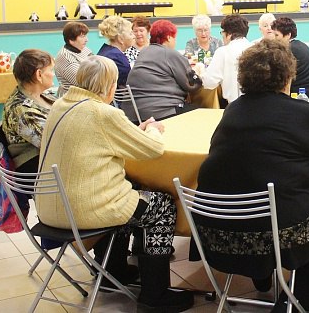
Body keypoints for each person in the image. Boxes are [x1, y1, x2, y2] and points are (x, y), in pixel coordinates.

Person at [195, 39, 309, 313]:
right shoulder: (304, 113)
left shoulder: (232, 111)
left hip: (216, 233)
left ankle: (262, 275)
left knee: (260, 200)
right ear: (288, 76)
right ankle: (291, 305)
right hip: (280, 233)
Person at [34, 56, 193, 313]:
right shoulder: (103, 113)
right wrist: (153, 129)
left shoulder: (61, 104)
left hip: (50, 207)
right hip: (84, 209)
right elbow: (153, 148)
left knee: (127, 189)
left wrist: (135, 130)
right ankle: (155, 293)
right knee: (161, 205)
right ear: (110, 86)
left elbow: (100, 138)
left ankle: (112, 272)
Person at [125, 20, 202, 122]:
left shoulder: (144, 52)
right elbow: (190, 84)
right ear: (169, 37)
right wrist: (197, 73)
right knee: (202, 114)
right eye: (174, 38)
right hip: (161, 112)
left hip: (134, 114)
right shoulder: (170, 53)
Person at [2, 49, 56, 174]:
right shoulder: (21, 109)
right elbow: (53, 144)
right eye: (51, 70)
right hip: (39, 169)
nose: (53, 74)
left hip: (48, 160)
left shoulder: (41, 95)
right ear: (39, 75)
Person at [271, 17, 309, 107]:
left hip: (304, 98)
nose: (274, 39)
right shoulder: (301, 45)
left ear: (288, 35)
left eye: (276, 35)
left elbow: (282, 80)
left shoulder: (288, 51)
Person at [200, 15, 252, 107]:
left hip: (235, 107)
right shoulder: (255, 48)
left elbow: (209, 83)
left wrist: (200, 71)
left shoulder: (223, 52)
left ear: (229, 34)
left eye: (222, 33)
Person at [55, 21, 92, 97]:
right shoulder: (66, 58)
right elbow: (84, 84)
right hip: (73, 98)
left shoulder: (83, 48)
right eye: (82, 36)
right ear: (71, 40)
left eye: (85, 36)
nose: (86, 40)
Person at [97, 15, 134, 87]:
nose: (134, 36)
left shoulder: (105, 51)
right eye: (130, 34)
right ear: (120, 39)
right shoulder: (118, 59)